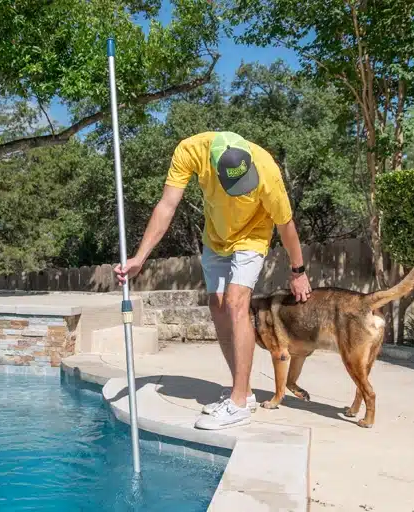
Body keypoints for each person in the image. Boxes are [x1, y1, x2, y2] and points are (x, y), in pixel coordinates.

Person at [114, 131, 311, 430]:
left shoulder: (267, 170)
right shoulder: (190, 151)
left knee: (236, 303)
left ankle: (239, 403)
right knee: (217, 305)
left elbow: (286, 226)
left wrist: (298, 272)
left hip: (253, 235)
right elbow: (167, 205)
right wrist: (140, 258)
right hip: (216, 237)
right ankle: (241, 391)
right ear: (214, 167)